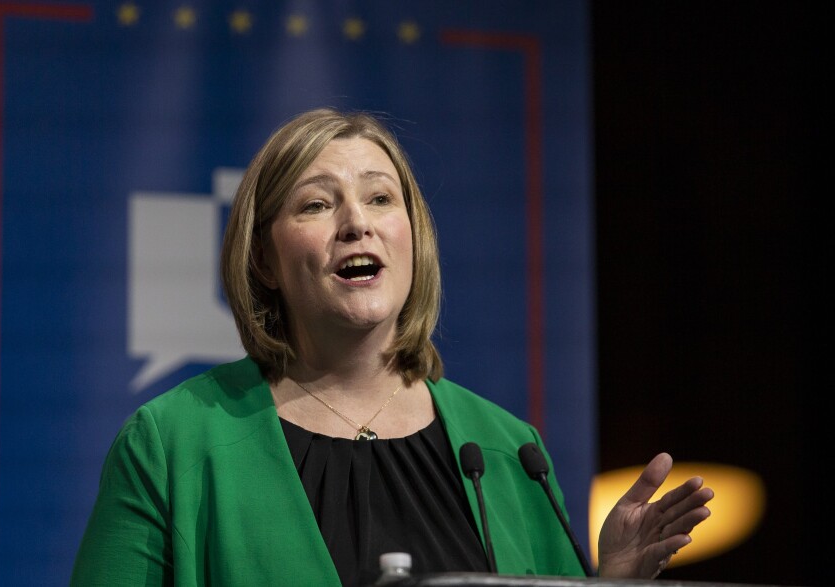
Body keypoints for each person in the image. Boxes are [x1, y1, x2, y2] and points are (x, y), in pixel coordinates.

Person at [71, 108, 713, 586]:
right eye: (317, 204)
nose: (357, 222)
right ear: (263, 257)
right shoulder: (173, 444)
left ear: (413, 236)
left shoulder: (510, 452)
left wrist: (613, 584)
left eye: (381, 197)